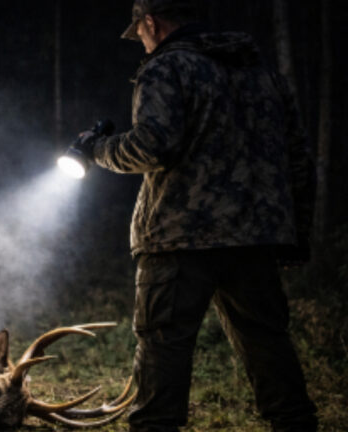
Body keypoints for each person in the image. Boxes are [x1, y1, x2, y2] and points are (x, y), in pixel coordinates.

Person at [74, 0, 318, 431]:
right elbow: (298, 159)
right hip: (253, 240)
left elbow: (152, 146)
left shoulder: (166, 68)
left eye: (142, 33)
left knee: (163, 353)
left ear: (151, 22)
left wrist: (97, 151)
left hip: (179, 239)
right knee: (269, 347)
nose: (143, 44)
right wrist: (297, 234)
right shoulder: (263, 76)